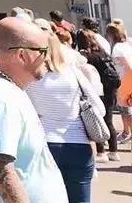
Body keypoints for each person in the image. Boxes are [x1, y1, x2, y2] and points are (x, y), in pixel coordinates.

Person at [0, 17, 67, 203]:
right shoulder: (0, 97)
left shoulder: (9, 90)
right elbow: (0, 168)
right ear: (22, 55)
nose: (47, 57)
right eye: (43, 51)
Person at [25, 32, 98, 203]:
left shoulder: (31, 79)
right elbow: (98, 108)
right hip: (78, 142)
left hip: (44, 142)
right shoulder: (74, 74)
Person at [76, 29, 121, 163]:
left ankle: (101, 152)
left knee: (96, 119)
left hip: (97, 90)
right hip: (110, 88)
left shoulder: (87, 56)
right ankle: (113, 151)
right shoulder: (103, 52)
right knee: (108, 120)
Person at [107, 21, 132, 145]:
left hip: (125, 81)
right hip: (126, 80)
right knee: (125, 109)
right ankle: (126, 132)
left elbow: (128, 67)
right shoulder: (126, 45)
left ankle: (128, 132)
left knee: (126, 110)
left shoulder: (117, 49)